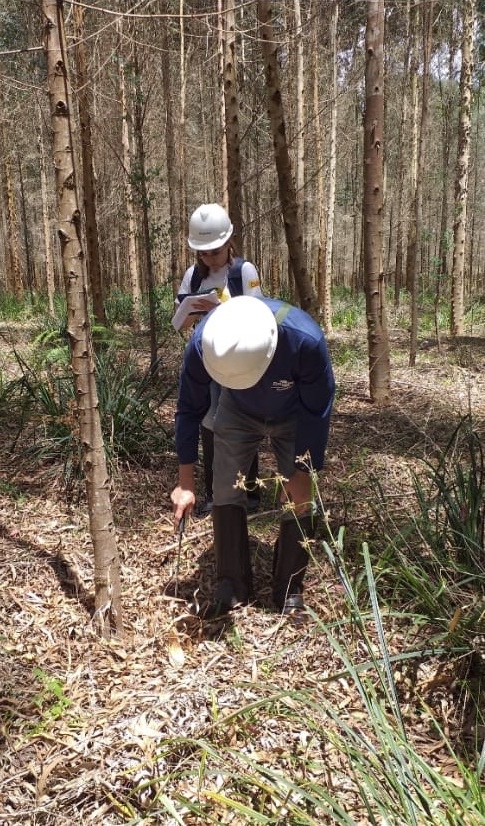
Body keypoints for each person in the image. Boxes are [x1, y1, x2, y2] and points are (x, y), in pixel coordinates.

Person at [170, 295, 335, 616]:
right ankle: (232, 583)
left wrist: (303, 473)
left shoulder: (305, 340)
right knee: (224, 486)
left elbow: (317, 412)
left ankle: (289, 588)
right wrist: (185, 481)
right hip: (236, 411)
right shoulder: (204, 343)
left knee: (301, 497)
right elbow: (189, 408)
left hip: (295, 413)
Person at [174, 203, 263, 515]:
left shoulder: (244, 272)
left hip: (240, 359)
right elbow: (180, 321)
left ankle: (249, 495)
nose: (209, 258)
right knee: (209, 424)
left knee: (244, 421)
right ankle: (215, 496)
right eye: (203, 253)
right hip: (207, 361)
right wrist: (193, 309)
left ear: (228, 243)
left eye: (215, 251)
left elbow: (259, 315)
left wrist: (226, 310)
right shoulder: (192, 276)